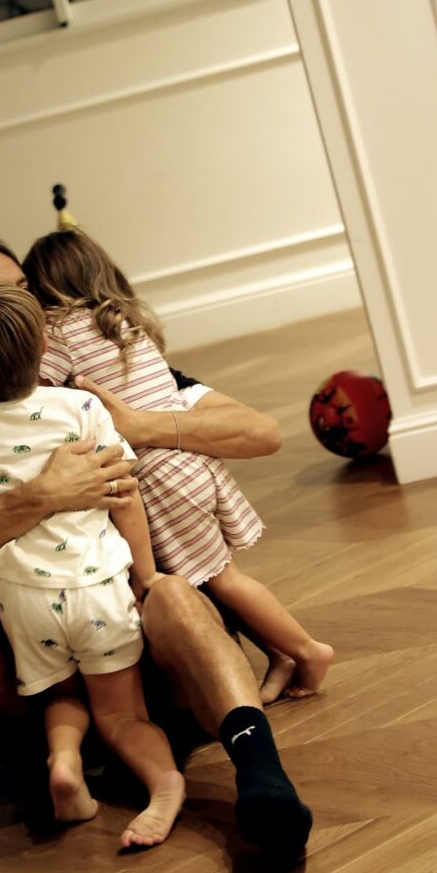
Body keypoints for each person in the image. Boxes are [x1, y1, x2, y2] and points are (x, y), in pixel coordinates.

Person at [0, 226, 312, 873]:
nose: (29, 308)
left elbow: (261, 431)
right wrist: (38, 497)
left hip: (156, 670)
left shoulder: (94, 386)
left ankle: (266, 786)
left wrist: (138, 424)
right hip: (38, 690)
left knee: (174, 593)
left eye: (24, 290)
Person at [22, 228, 334, 701]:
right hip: (190, 462)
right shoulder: (123, 323)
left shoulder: (60, 333)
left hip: (159, 475)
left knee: (221, 580)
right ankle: (281, 654)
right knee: (210, 575)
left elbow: (30, 389)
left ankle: (308, 651)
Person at [0, 279, 184, 848]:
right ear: (45, 347)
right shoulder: (82, 409)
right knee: (123, 716)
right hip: (97, 587)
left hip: (24, 601)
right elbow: (124, 494)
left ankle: (65, 761)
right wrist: (145, 576)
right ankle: (165, 785)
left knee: (62, 696)